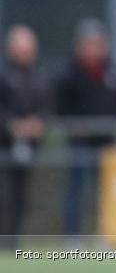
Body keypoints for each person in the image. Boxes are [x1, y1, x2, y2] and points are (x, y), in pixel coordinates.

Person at [55, 19, 116, 243]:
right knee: (75, 190)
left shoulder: (113, 71)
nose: (94, 48)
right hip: (79, 141)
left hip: (105, 141)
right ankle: (73, 237)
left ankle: (103, 236)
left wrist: (114, 126)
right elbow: (61, 107)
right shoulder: (69, 73)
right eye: (89, 43)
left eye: (97, 43)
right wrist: (75, 126)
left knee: (105, 192)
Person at [0, 25, 49, 249]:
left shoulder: (39, 75)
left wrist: (36, 123)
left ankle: (12, 241)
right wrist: (11, 125)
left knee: (20, 197)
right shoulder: (3, 74)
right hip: (3, 144)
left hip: (28, 146)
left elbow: (47, 106)